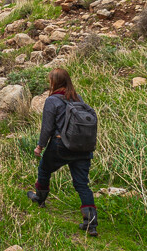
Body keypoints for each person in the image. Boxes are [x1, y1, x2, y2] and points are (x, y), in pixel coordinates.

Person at [26, 67, 97, 236]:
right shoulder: (78, 99)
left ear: (55, 82)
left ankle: (40, 199)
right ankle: (91, 223)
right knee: (82, 184)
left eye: (50, 80)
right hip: (83, 148)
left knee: (44, 169)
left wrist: (40, 146)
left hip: (61, 145)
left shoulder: (52, 101)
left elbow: (47, 128)